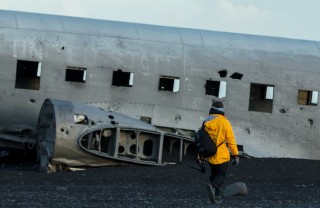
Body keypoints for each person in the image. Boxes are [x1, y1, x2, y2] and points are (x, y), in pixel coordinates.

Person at [201, 101, 239, 203]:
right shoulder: (224, 122)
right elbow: (231, 140)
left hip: (209, 155)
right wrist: (235, 155)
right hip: (221, 155)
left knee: (214, 175)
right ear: (222, 110)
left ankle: (216, 197)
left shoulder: (205, 122)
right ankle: (213, 187)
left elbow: (202, 140)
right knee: (221, 175)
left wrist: (200, 157)